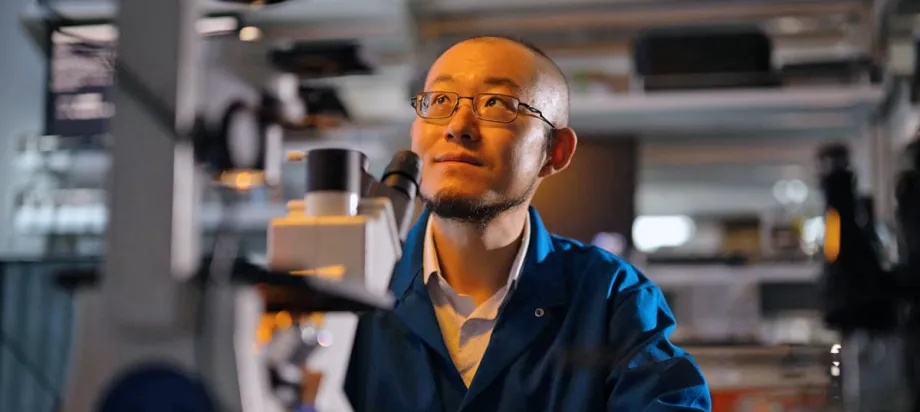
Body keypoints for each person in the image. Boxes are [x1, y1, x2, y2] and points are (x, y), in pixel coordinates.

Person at [344, 36, 710, 412]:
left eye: (496, 104)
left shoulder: (611, 297)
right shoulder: (345, 283)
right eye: (439, 100)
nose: (457, 127)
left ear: (555, 151)